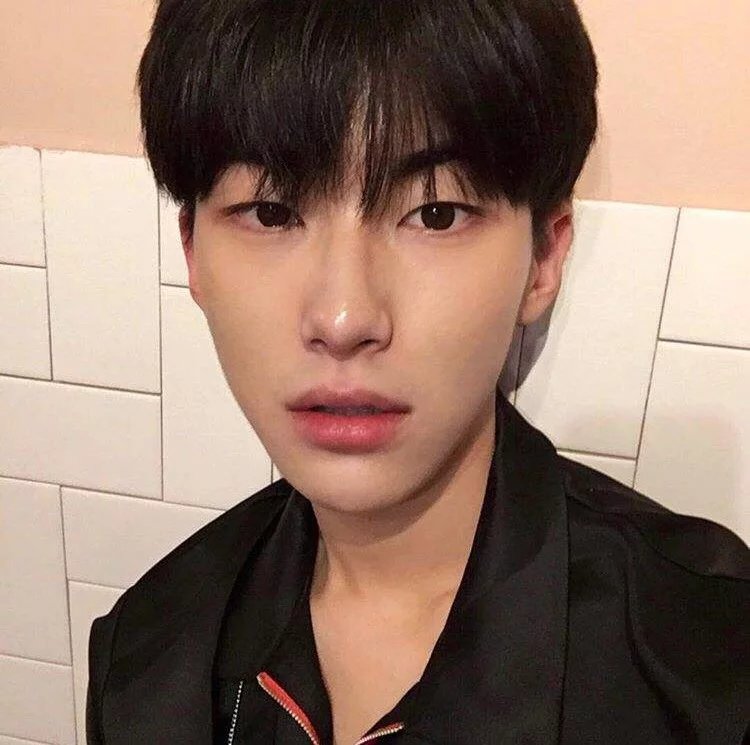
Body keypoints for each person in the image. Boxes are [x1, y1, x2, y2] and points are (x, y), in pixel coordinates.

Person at [86, 1, 750, 743]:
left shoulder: (711, 667)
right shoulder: (147, 657)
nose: (344, 317)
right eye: (271, 212)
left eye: (436, 214)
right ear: (192, 252)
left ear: (543, 256)